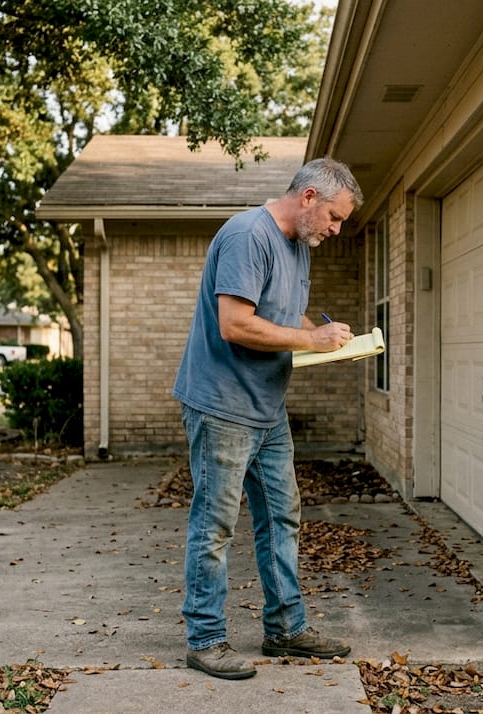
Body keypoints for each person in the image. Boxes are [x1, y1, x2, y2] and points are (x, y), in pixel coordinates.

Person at [171, 157, 364, 680]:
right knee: (214, 526)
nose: (335, 229)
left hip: (266, 409)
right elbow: (235, 324)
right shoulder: (246, 235)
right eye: (334, 217)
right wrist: (308, 339)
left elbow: (283, 317)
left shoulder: (298, 245)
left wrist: (331, 340)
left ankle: (285, 627)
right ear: (308, 198)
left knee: (282, 516)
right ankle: (206, 640)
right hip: (222, 405)